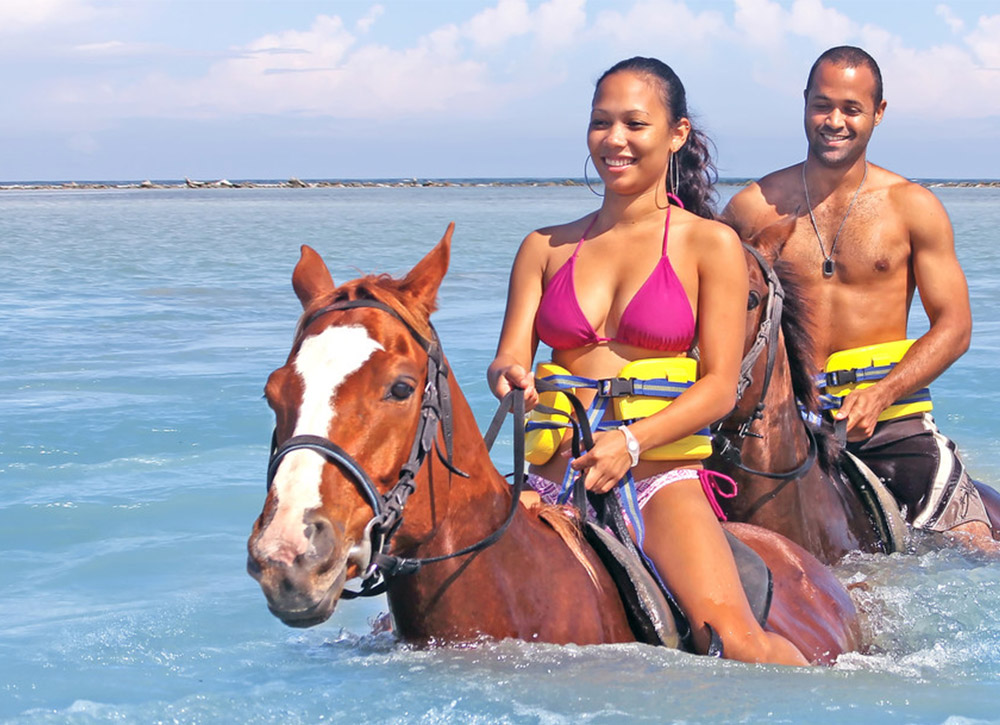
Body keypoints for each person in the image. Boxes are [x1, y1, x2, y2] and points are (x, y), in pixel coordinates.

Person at [487, 56, 809, 665]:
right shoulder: (542, 248)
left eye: (635, 124)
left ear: (676, 134)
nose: (614, 140)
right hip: (548, 475)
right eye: (600, 123)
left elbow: (718, 386)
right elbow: (509, 359)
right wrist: (511, 378)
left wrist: (630, 444)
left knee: (738, 646)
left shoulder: (710, 245)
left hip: (656, 475)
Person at [722, 46, 996, 549]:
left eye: (851, 108)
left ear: (879, 112)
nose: (834, 121)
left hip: (890, 425)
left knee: (974, 545)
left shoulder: (912, 207)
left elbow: (954, 327)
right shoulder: (750, 209)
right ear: (804, 103)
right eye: (822, 105)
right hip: (777, 428)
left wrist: (883, 392)